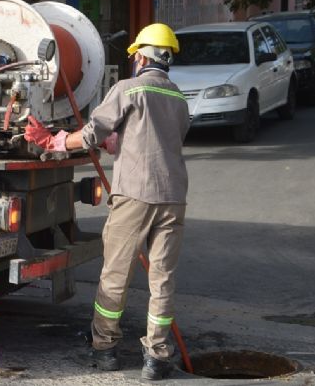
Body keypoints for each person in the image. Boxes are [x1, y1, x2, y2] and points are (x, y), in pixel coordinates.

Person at [24, 23, 190, 381]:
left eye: (136, 56)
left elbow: (90, 134)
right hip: (174, 197)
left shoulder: (129, 88)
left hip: (135, 196)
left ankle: (106, 349)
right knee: (162, 279)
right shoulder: (178, 97)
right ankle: (157, 357)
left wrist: (50, 141)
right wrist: (115, 143)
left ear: (142, 56)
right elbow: (155, 139)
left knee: (116, 275)